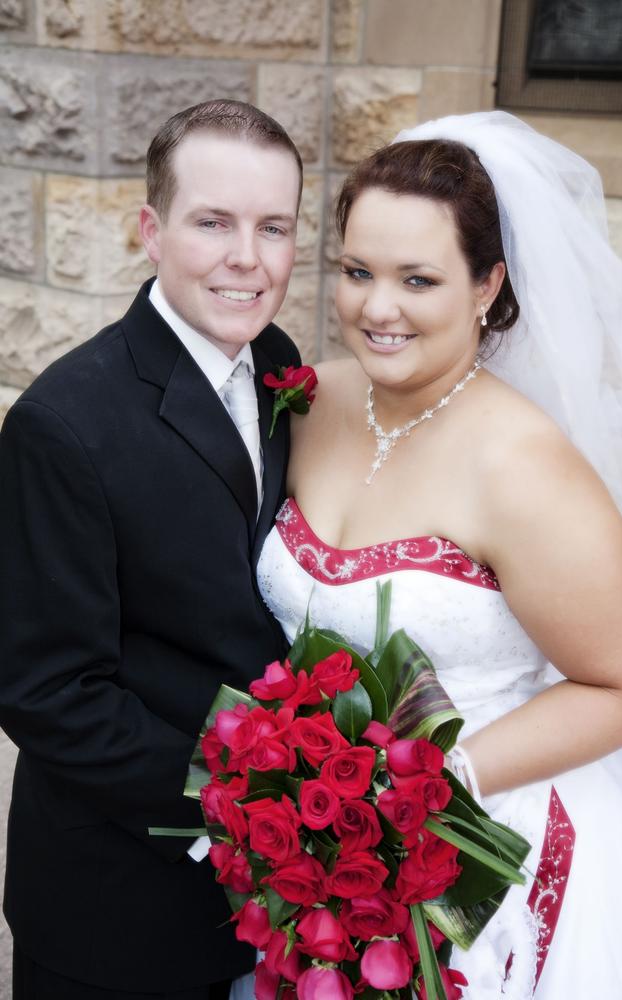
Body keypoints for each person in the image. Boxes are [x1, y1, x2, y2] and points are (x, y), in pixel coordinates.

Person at [256, 112, 622, 998]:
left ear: (487, 285)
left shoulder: (523, 464)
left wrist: (439, 781)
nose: (377, 308)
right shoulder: (311, 399)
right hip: (314, 856)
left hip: (481, 852)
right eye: (357, 272)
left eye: (418, 279)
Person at [0, 99, 302, 998]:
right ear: (150, 230)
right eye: (213, 222)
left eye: (273, 227)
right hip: (117, 916)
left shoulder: (281, 363)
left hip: (272, 911)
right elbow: (49, 692)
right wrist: (257, 803)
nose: (247, 257)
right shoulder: (64, 423)